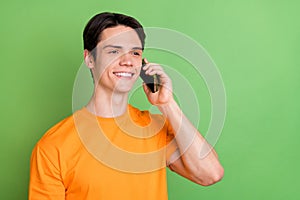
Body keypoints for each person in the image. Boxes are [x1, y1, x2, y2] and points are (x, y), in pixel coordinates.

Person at [29, 12, 224, 200]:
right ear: (89, 59)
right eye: (114, 51)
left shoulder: (153, 128)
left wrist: (167, 103)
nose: (128, 61)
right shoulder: (53, 146)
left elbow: (211, 174)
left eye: (135, 53)